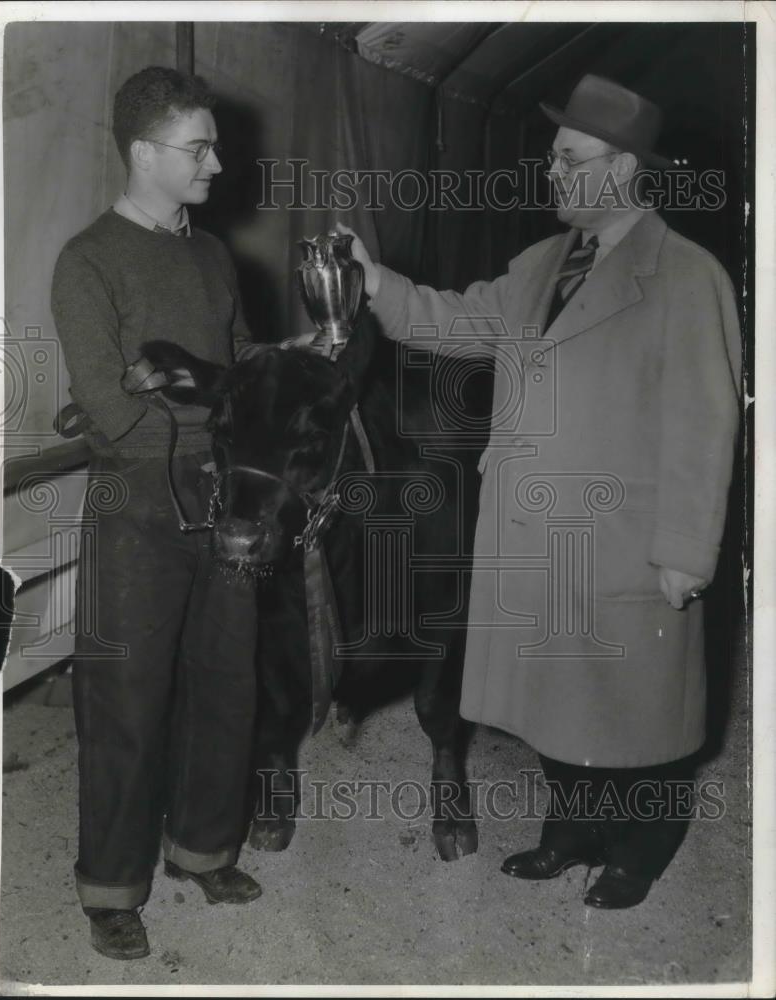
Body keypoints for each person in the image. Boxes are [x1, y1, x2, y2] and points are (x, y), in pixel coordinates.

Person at [341, 74, 742, 909]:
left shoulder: (686, 276)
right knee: (564, 699)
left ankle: (642, 845)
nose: (549, 172)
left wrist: (682, 552)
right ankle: (571, 831)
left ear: (622, 168)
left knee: (641, 710)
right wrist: (373, 280)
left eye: (567, 158)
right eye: (552, 157)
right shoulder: (538, 264)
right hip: (535, 534)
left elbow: (705, 425)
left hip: (624, 540)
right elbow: (450, 320)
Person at [51, 66, 260, 960]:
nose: (216, 160)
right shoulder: (87, 259)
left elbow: (244, 364)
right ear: (144, 154)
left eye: (213, 142)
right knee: (127, 697)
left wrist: (266, 381)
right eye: (197, 146)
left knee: (226, 679)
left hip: (221, 491)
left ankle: (203, 849)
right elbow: (107, 403)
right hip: (134, 498)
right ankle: (112, 887)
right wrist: (197, 417)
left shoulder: (214, 255)